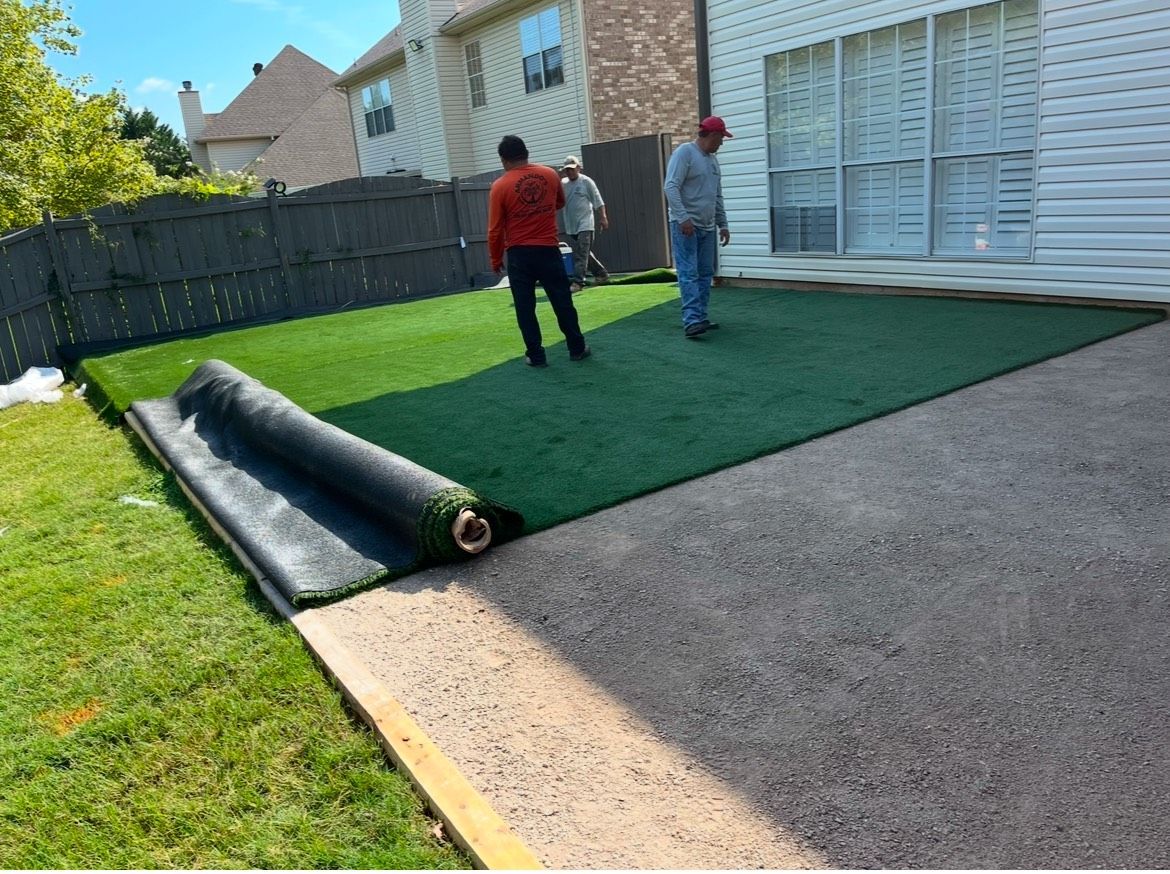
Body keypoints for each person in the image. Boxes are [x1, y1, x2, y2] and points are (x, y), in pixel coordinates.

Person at [488, 135, 591, 367]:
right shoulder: (550, 175)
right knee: (562, 300)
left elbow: (494, 231)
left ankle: (535, 355)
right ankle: (577, 348)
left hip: (519, 254)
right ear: (527, 153)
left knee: (525, 307)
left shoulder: (500, 187)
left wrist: (495, 259)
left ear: (504, 160)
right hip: (548, 249)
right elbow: (559, 203)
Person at [663, 115, 733, 339]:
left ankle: (700, 317)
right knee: (688, 273)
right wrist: (683, 219)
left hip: (707, 226)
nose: (721, 143)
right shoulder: (685, 153)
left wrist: (723, 224)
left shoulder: (712, 161)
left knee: (705, 273)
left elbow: (717, 196)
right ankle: (691, 321)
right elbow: (671, 186)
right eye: (721, 138)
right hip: (686, 226)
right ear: (712, 135)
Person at [560, 155, 609, 292]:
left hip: (586, 224)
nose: (569, 172)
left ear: (578, 168)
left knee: (581, 252)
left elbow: (598, 201)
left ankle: (578, 282)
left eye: (572, 169)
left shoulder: (586, 182)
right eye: (567, 170)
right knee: (584, 252)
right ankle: (601, 273)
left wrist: (603, 217)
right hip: (571, 225)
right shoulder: (562, 184)